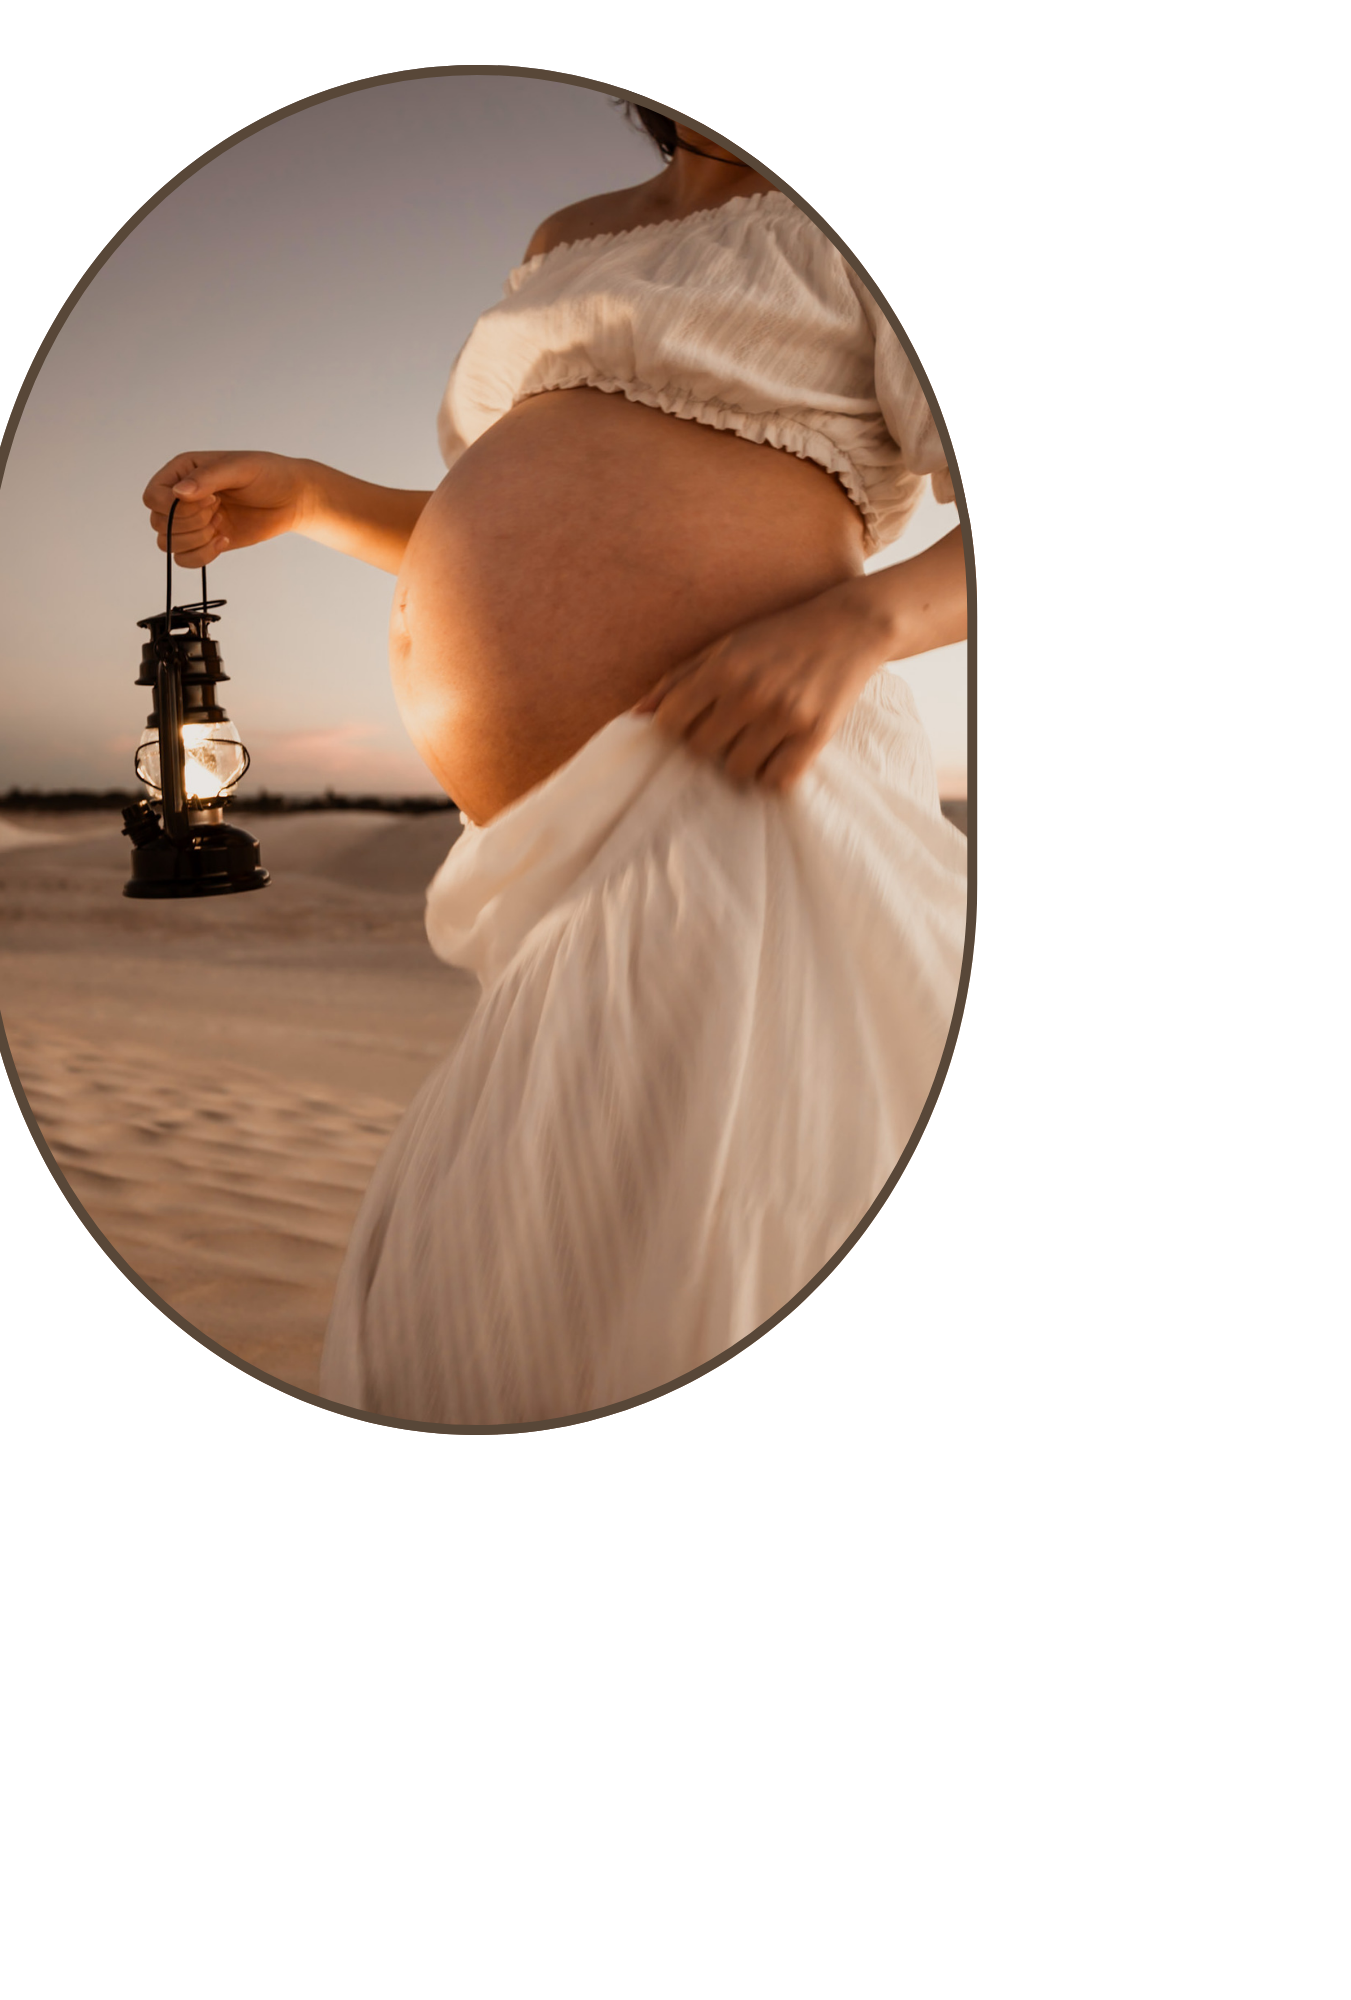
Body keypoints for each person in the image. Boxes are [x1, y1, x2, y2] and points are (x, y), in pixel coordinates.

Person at [143, 107, 969, 1425]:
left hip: (743, 791)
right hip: (544, 869)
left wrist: (861, 623)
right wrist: (313, 496)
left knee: (652, 1281)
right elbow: (523, 499)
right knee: (486, 1301)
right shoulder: (569, 237)